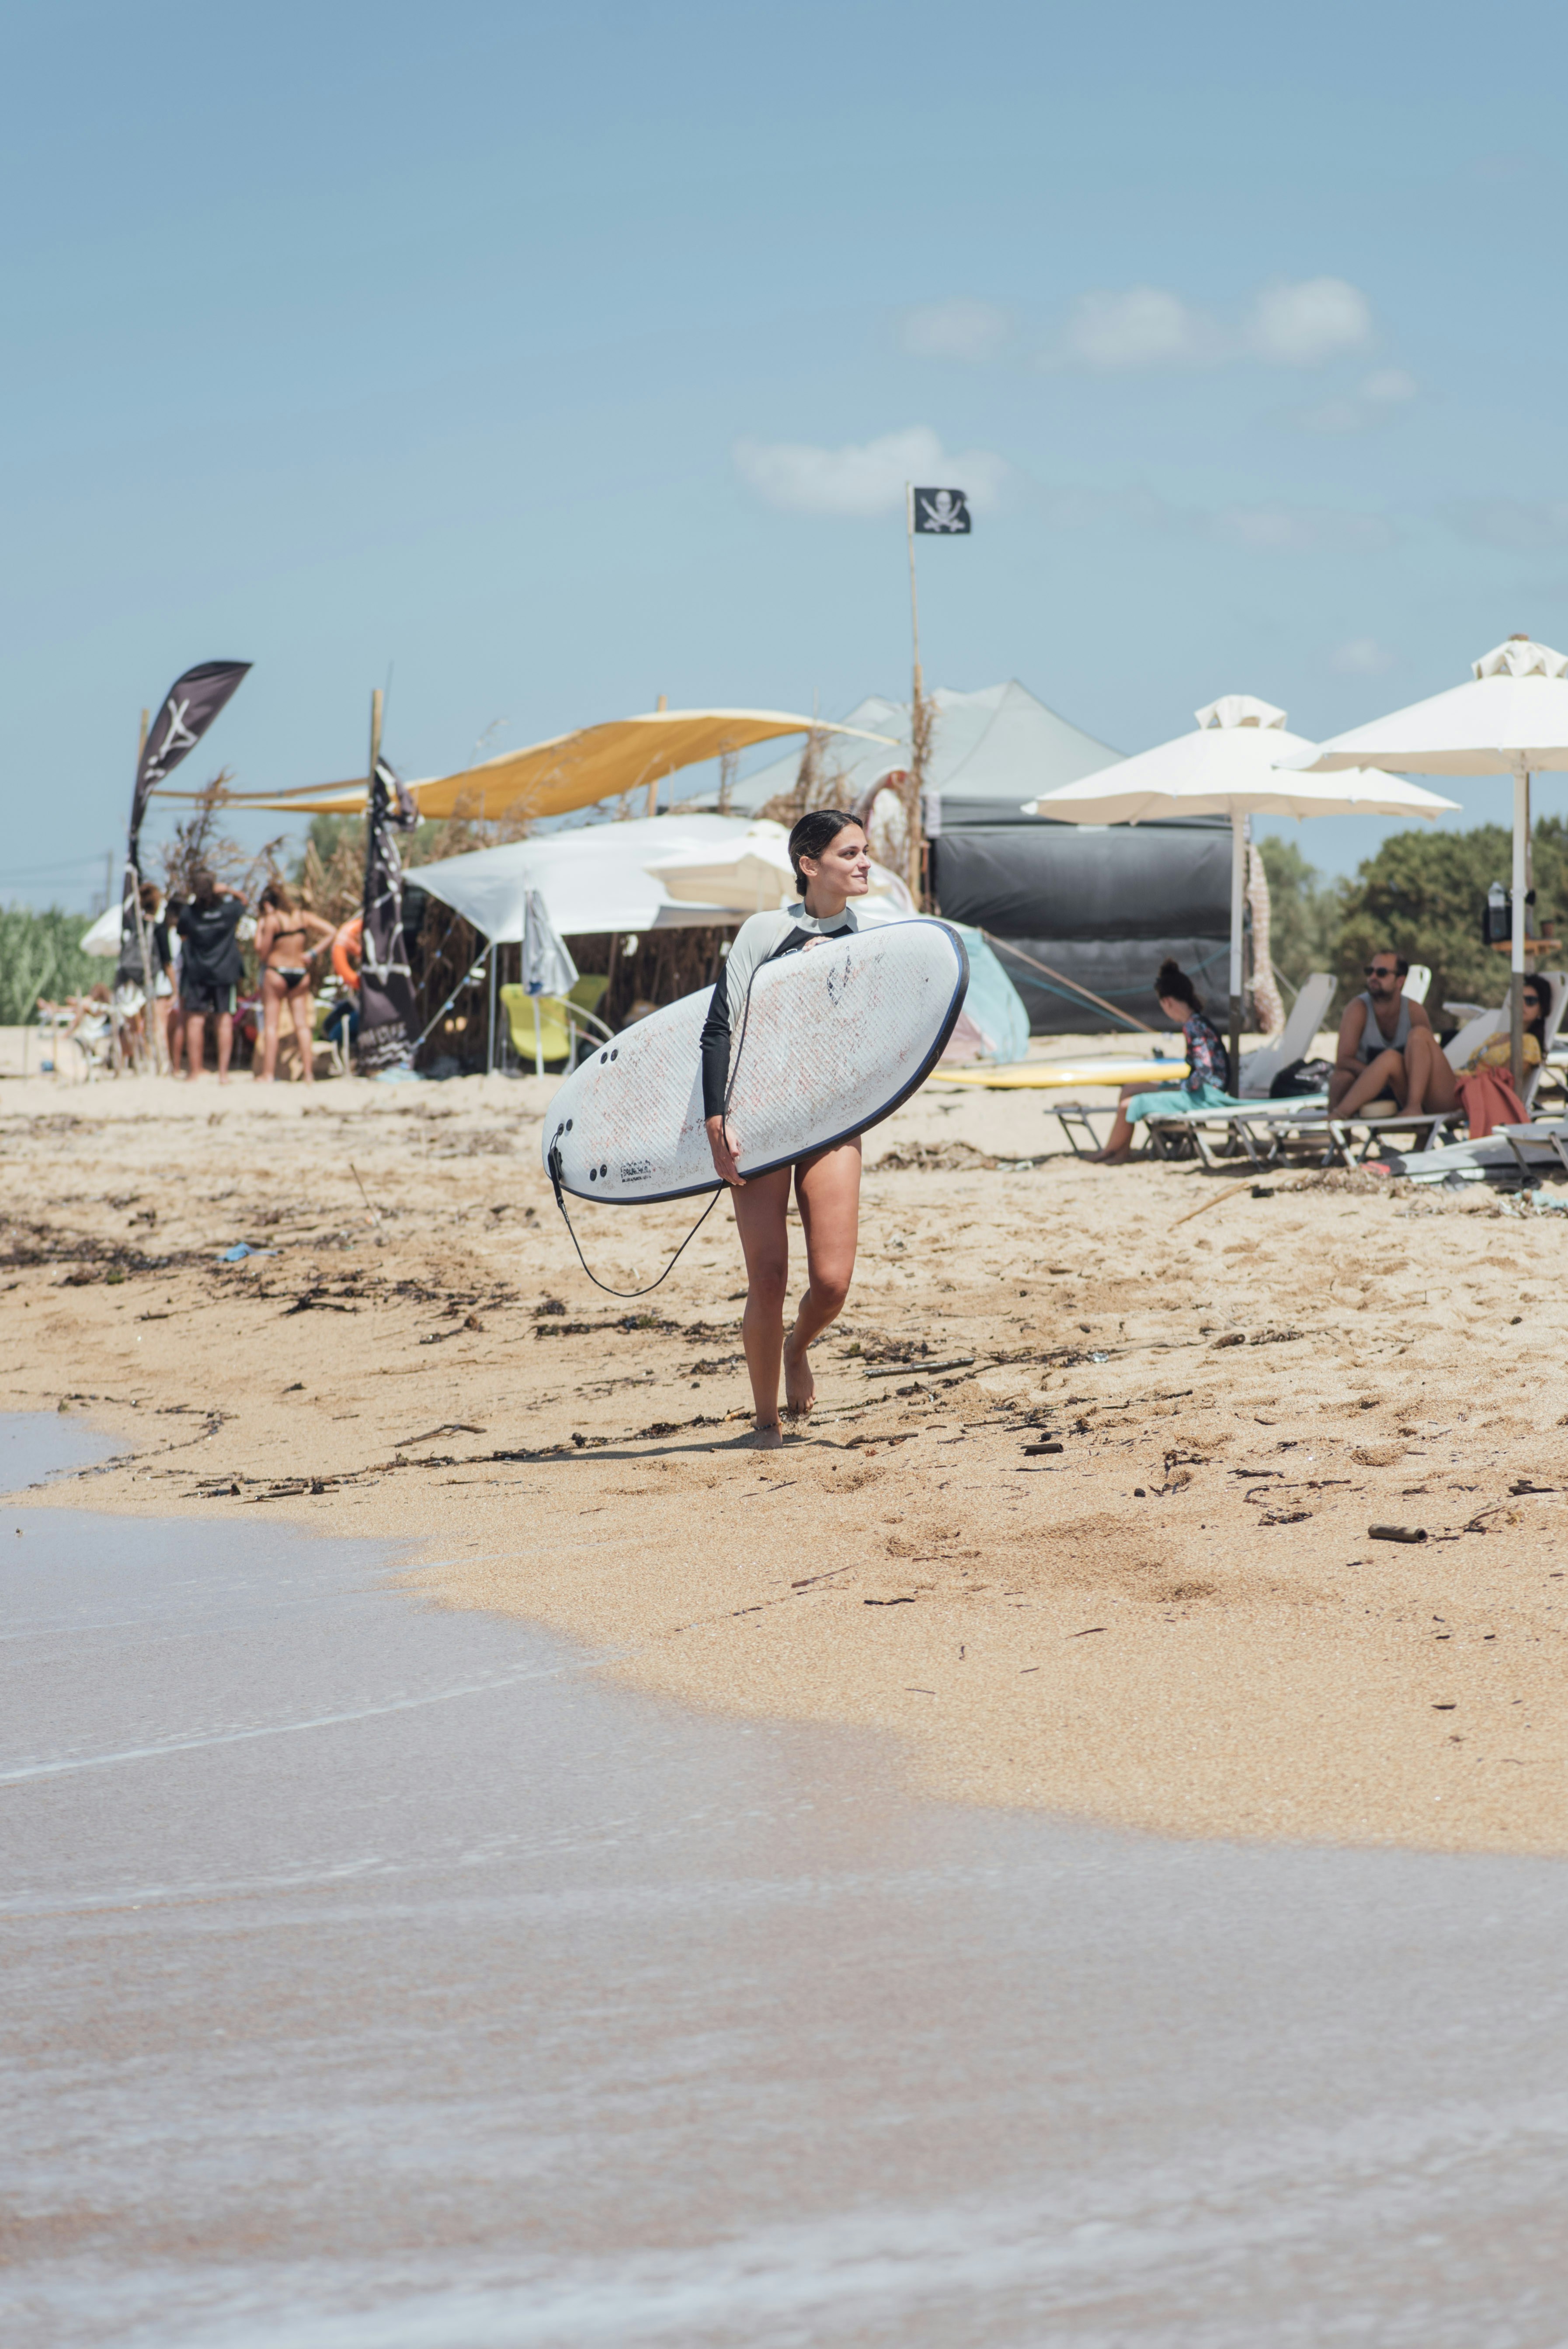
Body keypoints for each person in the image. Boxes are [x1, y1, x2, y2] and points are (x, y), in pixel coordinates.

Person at [702, 808, 870, 1448]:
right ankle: (765, 1421)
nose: (862, 862)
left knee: (830, 1281)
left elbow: (878, 1036)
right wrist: (717, 1118)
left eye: (863, 852)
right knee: (768, 1275)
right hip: (760, 1113)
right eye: (848, 852)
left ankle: (800, 1345)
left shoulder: (871, 939)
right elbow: (718, 1025)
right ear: (809, 865)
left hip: (831, 1114)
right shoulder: (762, 930)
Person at [1085, 958, 1235, 1165]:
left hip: (1205, 1095)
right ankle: (1119, 1151)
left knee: (1130, 1104)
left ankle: (1112, 1152)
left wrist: (1178, 1087)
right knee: (1130, 1089)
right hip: (1205, 1090)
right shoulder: (1198, 1022)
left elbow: (1204, 1073)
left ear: (1167, 1002)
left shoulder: (1194, 1026)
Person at [1329, 951, 1458, 1122]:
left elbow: (1429, 1061)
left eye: (1381, 973)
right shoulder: (1358, 1009)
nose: (1373, 977)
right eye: (1370, 971)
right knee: (1341, 1078)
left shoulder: (1414, 1011)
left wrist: (1382, 1074)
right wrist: (1376, 1076)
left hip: (1411, 1088)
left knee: (1414, 1039)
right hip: (1372, 1085)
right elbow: (1343, 1061)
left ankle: (1416, 1114)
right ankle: (1339, 1142)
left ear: (1400, 981)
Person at [253, 880, 335, 1082]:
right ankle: (308, 1074)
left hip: (277, 972)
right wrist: (313, 953)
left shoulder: (273, 921)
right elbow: (332, 931)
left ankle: (268, 1074)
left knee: (271, 1026)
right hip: (299, 972)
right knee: (302, 1026)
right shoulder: (302, 918)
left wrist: (261, 926)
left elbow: (262, 953)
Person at [1456, 974, 1552, 1138]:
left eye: (1530, 1001)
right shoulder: (1498, 1036)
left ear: (1541, 1009)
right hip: (1461, 1084)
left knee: (1421, 1038)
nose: (1522, 1005)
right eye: (1518, 999)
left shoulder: (1528, 1043)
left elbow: (1505, 1079)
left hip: (1465, 1093)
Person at [177, 869, 247, 1083]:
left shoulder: (189, 913)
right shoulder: (228, 910)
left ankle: (195, 1071)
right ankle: (224, 1074)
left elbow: (182, 935)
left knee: (195, 1020)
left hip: (198, 972)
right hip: (225, 972)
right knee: (224, 1019)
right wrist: (228, 889)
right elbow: (244, 901)